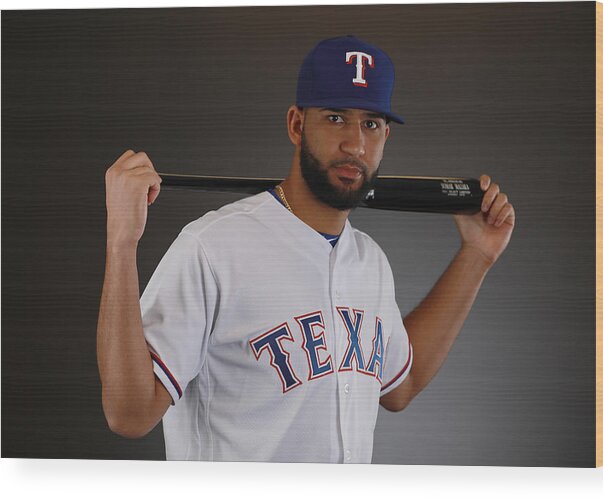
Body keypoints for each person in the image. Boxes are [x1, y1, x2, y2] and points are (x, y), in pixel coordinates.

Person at [97, 35, 515, 463]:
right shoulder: (213, 248)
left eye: (371, 124)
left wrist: (477, 256)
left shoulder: (370, 261)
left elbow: (398, 388)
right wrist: (121, 241)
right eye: (336, 118)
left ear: (386, 135)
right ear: (297, 125)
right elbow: (129, 414)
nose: (355, 144)